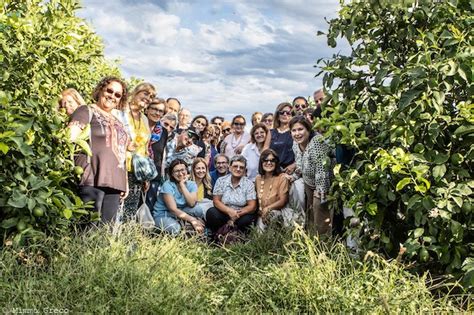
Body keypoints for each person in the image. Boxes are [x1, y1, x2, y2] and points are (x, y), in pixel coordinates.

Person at [68, 76, 129, 224]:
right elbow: (69, 138)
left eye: (117, 94)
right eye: (109, 91)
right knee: (87, 228)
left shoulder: (119, 122)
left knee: (105, 234)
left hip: (115, 182)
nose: (112, 96)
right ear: (101, 89)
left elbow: (122, 151)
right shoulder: (86, 110)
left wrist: (125, 181)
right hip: (92, 177)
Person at [290, 116, 333, 235]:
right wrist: (293, 177)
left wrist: (321, 190)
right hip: (309, 182)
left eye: (300, 129)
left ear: (308, 130)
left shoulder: (317, 142)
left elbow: (322, 167)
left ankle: (324, 242)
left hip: (323, 182)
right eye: (294, 130)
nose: (297, 133)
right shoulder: (295, 144)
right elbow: (300, 164)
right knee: (311, 215)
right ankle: (311, 242)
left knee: (320, 210)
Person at [119, 82, 155, 220]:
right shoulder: (120, 111)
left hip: (137, 171)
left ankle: (124, 240)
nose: (148, 98)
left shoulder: (144, 119)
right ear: (135, 92)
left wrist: (145, 175)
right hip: (120, 166)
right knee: (117, 207)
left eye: (151, 96)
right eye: (145, 93)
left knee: (130, 210)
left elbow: (145, 148)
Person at [206, 155, 257, 233]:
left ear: (244, 170)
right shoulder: (221, 181)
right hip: (224, 212)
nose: (238, 169)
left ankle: (239, 239)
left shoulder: (249, 184)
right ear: (229, 167)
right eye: (235, 166)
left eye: (241, 167)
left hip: (241, 214)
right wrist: (229, 211)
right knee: (211, 213)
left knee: (247, 220)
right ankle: (218, 235)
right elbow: (216, 201)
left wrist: (236, 215)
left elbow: (252, 206)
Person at [153, 159, 205, 236]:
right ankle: (164, 229)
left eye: (182, 170)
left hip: (180, 211)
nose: (180, 173)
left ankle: (185, 223)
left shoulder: (191, 184)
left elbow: (192, 204)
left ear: (187, 170)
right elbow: (173, 209)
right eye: (176, 171)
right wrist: (192, 220)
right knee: (175, 228)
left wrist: (182, 185)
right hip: (164, 214)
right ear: (172, 174)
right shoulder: (167, 185)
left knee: (198, 210)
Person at [255, 149, 300, 231]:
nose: (269, 163)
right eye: (265, 160)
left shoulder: (282, 177)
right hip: (262, 214)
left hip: (278, 213)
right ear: (261, 163)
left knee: (271, 215)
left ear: (276, 163)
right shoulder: (258, 178)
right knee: (258, 236)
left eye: (272, 160)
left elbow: (282, 201)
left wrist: (267, 209)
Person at [145, 100, 170, 210]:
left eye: (161, 111)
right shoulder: (138, 126)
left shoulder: (163, 132)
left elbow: (160, 156)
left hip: (154, 176)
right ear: (147, 109)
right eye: (154, 109)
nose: (157, 113)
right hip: (137, 171)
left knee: (148, 209)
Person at [267, 102, 295, 173]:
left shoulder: (295, 132)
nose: (285, 114)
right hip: (273, 170)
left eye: (288, 113)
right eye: (282, 112)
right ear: (278, 116)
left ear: (292, 116)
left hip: (290, 171)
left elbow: (303, 152)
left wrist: (294, 165)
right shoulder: (270, 132)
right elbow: (265, 151)